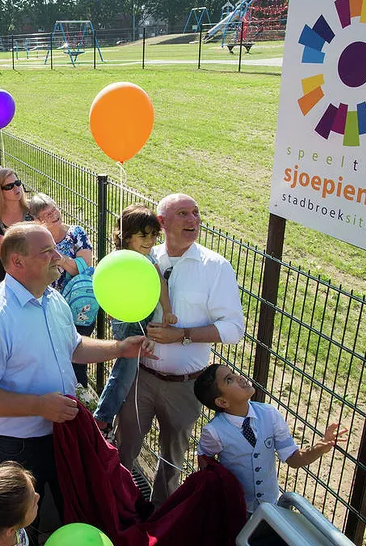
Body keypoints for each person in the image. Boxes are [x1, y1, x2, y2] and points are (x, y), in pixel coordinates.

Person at [0, 223, 150, 535]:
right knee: (21, 528)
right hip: (16, 447)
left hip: (60, 435)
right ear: (17, 262)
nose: (58, 255)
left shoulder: (53, 299)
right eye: (46, 252)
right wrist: (39, 406)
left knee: (67, 512)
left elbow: (73, 347)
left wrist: (120, 348)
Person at [115, 193, 245, 508]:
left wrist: (182, 335)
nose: (193, 220)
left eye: (196, 213)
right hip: (140, 378)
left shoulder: (215, 267)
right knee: (122, 451)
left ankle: (160, 518)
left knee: (171, 463)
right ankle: (117, 509)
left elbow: (233, 329)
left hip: (185, 385)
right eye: (183, 214)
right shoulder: (144, 258)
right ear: (161, 223)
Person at [194, 364, 348, 513]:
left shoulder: (270, 414)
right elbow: (205, 459)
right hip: (234, 508)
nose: (239, 377)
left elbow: (293, 459)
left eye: (233, 373)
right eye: (229, 379)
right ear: (222, 402)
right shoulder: (214, 431)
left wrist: (318, 448)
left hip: (270, 508)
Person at [93, 204, 177, 434]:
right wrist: (113, 307)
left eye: (153, 235)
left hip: (143, 315)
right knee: (127, 366)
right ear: (127, 236)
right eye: (143, 235)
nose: (149, 241)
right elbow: (107, 285)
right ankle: (102, 418)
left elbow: (160, 283)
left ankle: (111, 414)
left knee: (131, 364)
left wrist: (167, 308)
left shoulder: (149, 258)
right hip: (125, 318)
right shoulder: (120, 259)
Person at [0, 168, 32, 286]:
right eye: (9, 186)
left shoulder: (32, 210)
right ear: (0, 191)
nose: (16, 188)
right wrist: (2, 247)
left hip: (34, 274)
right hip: (7, 279)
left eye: (17, 183)